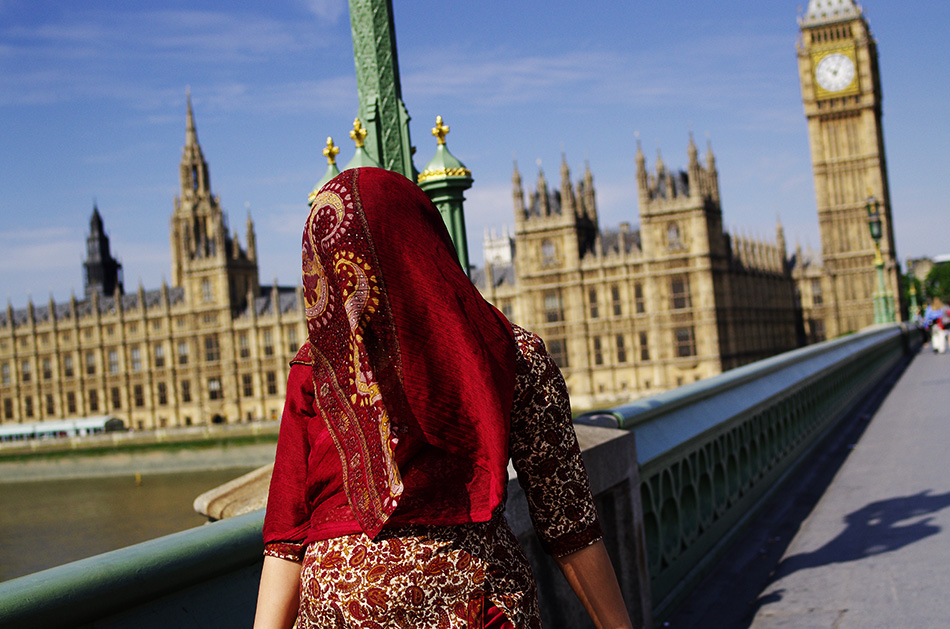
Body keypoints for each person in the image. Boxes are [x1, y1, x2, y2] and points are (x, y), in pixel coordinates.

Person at [254, 168, 634, 629]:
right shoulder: (512, 353)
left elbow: (286, 538)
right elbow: (567, 519)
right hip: (471, 602)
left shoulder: (315, 368)